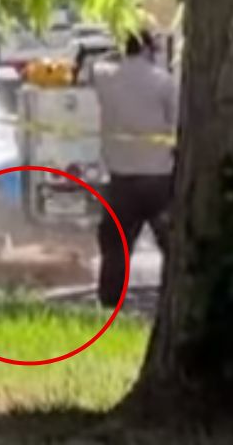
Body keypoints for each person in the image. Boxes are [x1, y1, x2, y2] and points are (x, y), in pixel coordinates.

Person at [93, 29, 178, 307]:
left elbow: (96, 64)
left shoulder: (106, 78)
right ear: (149, 49)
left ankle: (109, 304)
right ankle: (172, 302)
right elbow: (176, 124)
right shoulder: (164, 82)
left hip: (121, 181)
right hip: (159, 180)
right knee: (173, 246)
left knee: (115, 248)